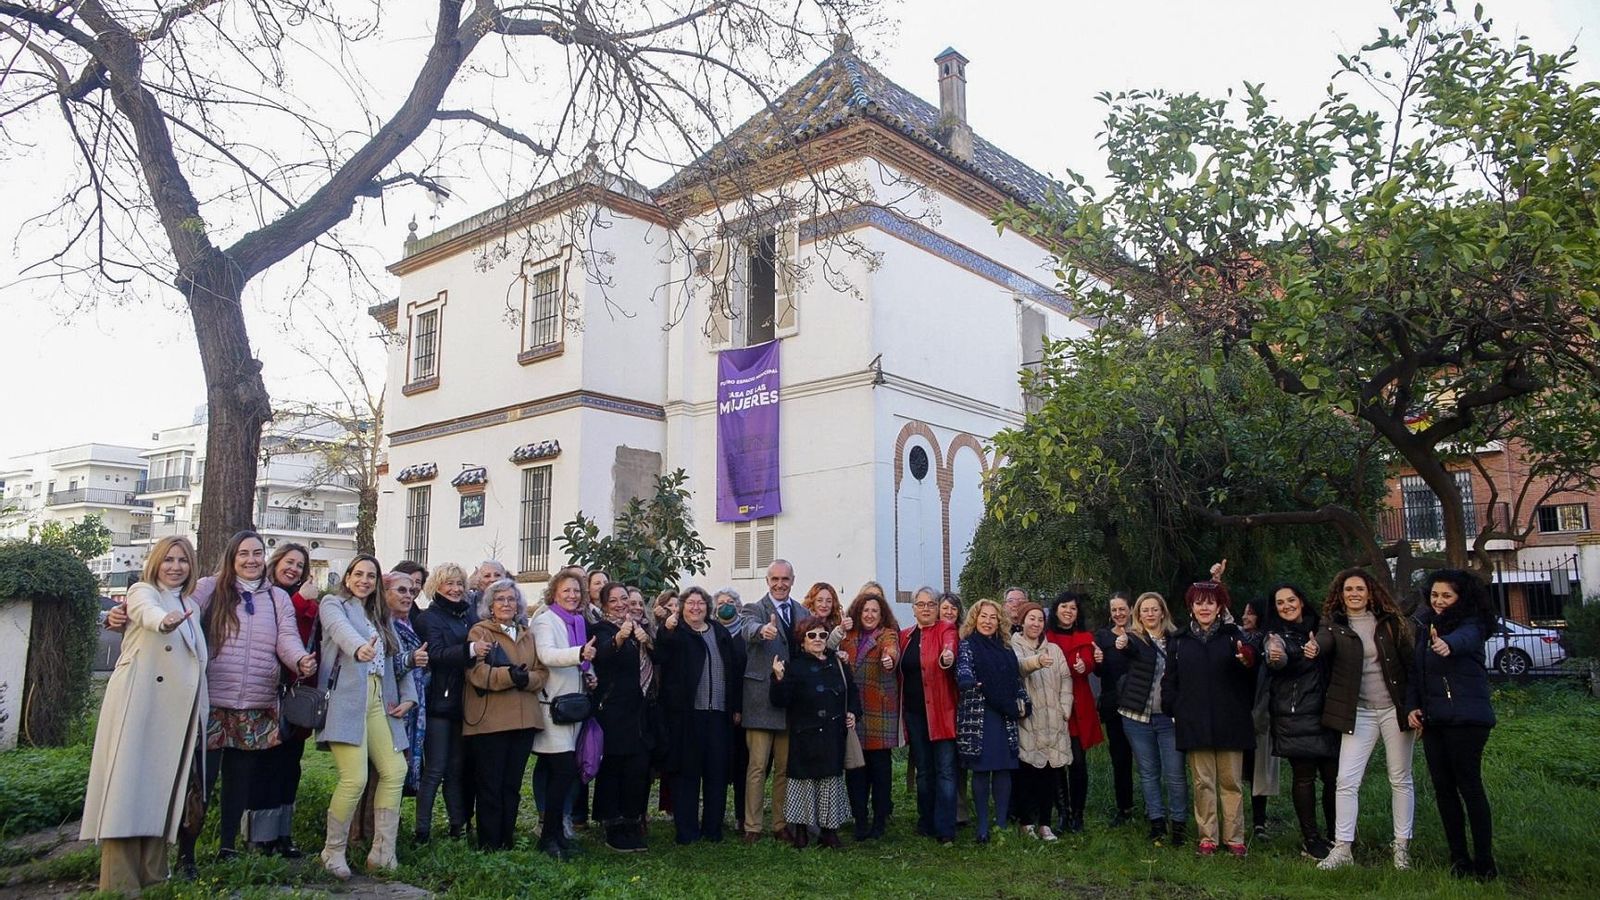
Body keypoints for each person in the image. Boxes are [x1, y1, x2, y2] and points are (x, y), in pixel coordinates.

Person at [180, 530, 315, 873]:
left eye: (257, 553)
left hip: (256, 703)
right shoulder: (211, 588)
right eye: (244, 554)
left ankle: (228, 847)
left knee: (239, 783)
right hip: (212, 702)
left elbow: (286, 638)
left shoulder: (277, 599)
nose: (251, 560)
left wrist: (299, 660)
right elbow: (176, 609)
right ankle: (187, 853)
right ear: (232, 558)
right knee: (202, 782)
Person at [81, 536, 207, 895]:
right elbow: (148, 614)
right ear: (155, 562)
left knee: (160, 792)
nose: (175, 566)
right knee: (128, 788)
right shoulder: (141, 591)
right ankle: (120, 881)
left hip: (175, 715)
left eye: (182, 560)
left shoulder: (191, 606)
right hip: (139, 705)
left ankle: (153, 875)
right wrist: (163, 622)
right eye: (168, 559)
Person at [315, 555, 416, 878]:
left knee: (395, 769)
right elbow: (341, 632)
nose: (364, 580)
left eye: (371, 576)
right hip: (346, 701)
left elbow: (396, 656)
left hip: (379, 700)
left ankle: (382, 853)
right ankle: (333, 851)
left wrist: (409, 696)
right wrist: (360, 648)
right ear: (347, 578)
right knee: (355, 778)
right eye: (358, 574)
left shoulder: (379, 614)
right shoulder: (333, 604)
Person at [1315, 568, 1416, 871]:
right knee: (1346, 780)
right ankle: (1342, 848)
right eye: (1348, 589)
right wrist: (1313, 647)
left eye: (1360, 589)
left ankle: (1401, 848)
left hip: (1393, 711)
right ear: (1340, 594)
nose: (1354, 594)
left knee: (1400, 779)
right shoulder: (1334, 625)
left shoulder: (1390, 624)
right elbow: (1323, 642)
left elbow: (1410, 665)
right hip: (1358, 713)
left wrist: (1415, 706)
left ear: (1370, 592)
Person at [1408, 569, 1498, 880]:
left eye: (1447, 595)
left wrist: (1447, 644)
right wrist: (1413, 707)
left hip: (1468, 719)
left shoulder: (1472, 622)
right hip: (1435, 721)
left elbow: (1465, 639)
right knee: (1443, 790)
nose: (1439, 601)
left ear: (1461, 597)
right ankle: (1459, 859)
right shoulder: (1423, 624)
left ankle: (1484, 862)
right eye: (1435, 595)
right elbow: (1416, 672)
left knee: (1469, 787)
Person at [1162, 577, 1257, 858]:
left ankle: (1235, 838)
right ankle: (1208, 838)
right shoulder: (1179, 641)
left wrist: (1247, 662)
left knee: (1231, 783)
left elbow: (1251, 674)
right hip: (1194, 722)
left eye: (1210, 603)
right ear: (1191, 607)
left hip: (1231, 720)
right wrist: (1174, 708)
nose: (1205, 608)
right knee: (1203, 783)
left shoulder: (1234, 637)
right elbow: (1170, 681)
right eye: (1199, 603)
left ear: (1219, 607)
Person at [463, 579, 549, 851]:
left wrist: (527, 680)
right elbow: (475, 673)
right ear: (490, 605)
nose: (506, 604)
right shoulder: (480, 632)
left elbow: (542, 672)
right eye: (500, 600)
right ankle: (489, 842)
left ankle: (506, 840)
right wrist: (509, 676)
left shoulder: (527, 633)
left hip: (523, 720)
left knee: (511, 785)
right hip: (491, 721)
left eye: (511, 599)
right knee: (490, 785)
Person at [655, 586, 745, 844]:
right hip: (686, 716)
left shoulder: (719, 632)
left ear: (708, 607)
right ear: (682, 608)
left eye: (701, 603)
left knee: (716, 772)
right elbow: (661, 653)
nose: (696, 608)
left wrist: (735, 707)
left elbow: (733, 670)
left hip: (718, 714)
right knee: (687, 774)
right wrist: (668, 628)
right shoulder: (677, 632)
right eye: (690, 604)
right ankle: (687, 831)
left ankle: (712, 829)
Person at [1261, 582, 1339, 860]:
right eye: (1280, 602)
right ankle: (1312, 839)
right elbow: (1277, 655)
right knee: (1304, 778)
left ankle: (1337, 836)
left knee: (1335, 779)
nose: (1286, 606)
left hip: (1330, 713)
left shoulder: (1322, 626)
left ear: (1301, 601)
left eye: (1290, 599)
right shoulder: (1274, 634)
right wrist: (1276, 654)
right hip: (1295, 715)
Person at [770, 614, 862, 848]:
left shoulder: (838, 662)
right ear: (803, 641)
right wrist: (779, 679)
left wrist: (852, 712)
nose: (818, 639)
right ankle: (801, 831)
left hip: (832, 733)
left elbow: (852, 692)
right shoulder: (794, 667)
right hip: (805, 734)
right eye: (812, 635)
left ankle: (829, 832)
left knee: (830, 781)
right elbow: (781, 701)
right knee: (803, 783)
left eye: (822, 635)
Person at [247, 541, 314, 857]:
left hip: (296, 696)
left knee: (290, 767)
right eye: (290, 562)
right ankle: (259, 838)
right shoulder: (263, 596)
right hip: (265, 693)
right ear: (275, 563)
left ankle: (283, 835)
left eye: (300, 565)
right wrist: (300, 603)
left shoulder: (306, 602)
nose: (294, 569)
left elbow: (303, 639)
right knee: (264, 767)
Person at [413, 561, 484, 842]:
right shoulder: (429, 618)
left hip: (464, 702)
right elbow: (437, 654)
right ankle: (422, 830)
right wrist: (470, 649)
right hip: (438, 702)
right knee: (436, 768)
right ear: (436, 587)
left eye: (459, 584)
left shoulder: (468, 616)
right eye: (449, 583)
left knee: (457, 768)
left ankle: (458, 826)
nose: (455, 589)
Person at [531, 570, 600, 860]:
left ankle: (557, 833)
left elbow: (584, 660)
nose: (572, 595)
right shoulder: (546, 619)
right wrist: (580, 653)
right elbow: (547, 655)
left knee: (564, 773)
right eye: (566, 591)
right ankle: (548, 837)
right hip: (552, 708)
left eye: (576, 591)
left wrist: (591, 674)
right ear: (554, 593)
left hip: (574, 707)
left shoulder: (579, 621)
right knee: (563, 772)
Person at [1117, 591, 1188, 846]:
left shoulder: (1177, 640)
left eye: (1154, 609)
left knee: (1175, 774)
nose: (1149, 614)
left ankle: (1179, 824)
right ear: (1138, 614)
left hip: (1168, 718)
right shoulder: (1136, 639)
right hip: (1136, 717)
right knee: (1148, 772)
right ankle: (1156, 822)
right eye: (1144, 610)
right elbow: (1127, 648)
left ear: (1162, 612)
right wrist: (1122, 643)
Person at [738, 559, 801, 844]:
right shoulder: (754, 609)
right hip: (761, 701)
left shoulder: (802, 611)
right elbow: (746, 628)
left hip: (789, 702)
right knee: (757, 767)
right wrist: (762, 630)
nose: (779, 584)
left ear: (792, 580)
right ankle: (752, 826)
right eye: (774, 579)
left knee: (784, 769)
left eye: (784, 579)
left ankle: (780, 824)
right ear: (767, 581)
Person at [957, 598, 1030, 843]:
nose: (987, 621)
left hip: (1004, 715)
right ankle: (983, 828)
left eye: (992, 617)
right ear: (974, 619)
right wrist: (968, 682)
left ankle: (1000, 825)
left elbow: (1015, 681)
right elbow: (964, 672)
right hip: (980, 717)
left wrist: (1023, 703)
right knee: (981, 771)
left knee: (1003, 770)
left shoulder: (1006, 648)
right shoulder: (967, 645)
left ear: (999, 621)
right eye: (983, 616)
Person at [591, 581, 654, 852]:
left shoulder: (640, 627)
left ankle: (631, 820)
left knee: (637, 767)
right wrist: (619, 638)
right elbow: (602, 656)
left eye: (624, 598)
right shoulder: (601, 628)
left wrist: (646, 640)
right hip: (614, 709)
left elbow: (659, 657)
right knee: (614, 766)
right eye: (614, 599)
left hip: (639, 710)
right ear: (604, 604)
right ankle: (612, 823)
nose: (620, 603)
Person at [838, 588, 900, 840]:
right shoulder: (848, 636)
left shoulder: (887, 634)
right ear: (858, 612)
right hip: (854, 711)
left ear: (881, 613)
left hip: (879, 711)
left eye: (875, 610)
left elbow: (891, 650)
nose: (870, 614)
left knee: (880, 771)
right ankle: (860, 819)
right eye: (866, 610)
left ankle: (880, 819)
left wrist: (889, 659)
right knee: (855, 770)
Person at [901, 587, 960, 844]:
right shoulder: (905, 636)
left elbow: (950, 649)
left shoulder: (946, 629)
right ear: (913, 608)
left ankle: (945, 827)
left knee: (946, 771)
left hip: (942, 712)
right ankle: (925, 821)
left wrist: (947, 656)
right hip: (915, 714)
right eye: (920, 604)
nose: (925, 608)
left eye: (931, 604)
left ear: (937, 608)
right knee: (924, 771)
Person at [1011, 601, 1072, 841]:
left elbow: (1066, 679)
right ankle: (1026, 823)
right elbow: (1018, 668)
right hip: (1028, 720)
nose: (1035, 623)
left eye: (1039, 619)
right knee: (1027, 773)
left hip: (1054, 720)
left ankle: (1045, 824)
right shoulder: (1013, 645)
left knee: (1049, 773)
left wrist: (1064, 708)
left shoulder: (1054, 650)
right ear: (1023, 621)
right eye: (1031, 618)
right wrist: (1037, 661)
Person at [1044, 591, 1103, 833]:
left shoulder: (1085, 637)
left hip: (1079, 708)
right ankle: (1063, 814)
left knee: (1078, 763)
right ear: (1056, 609)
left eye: (1074, 608)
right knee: (1056, 764)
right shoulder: (1046, 637)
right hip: (1053, 705)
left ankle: (1078, 814)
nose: (1069, 611)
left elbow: (1089, 661)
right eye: (1064, 606)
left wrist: (1085, 665)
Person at [1092, 591, 1137, 826]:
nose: (1118, 613)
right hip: (1114, 704)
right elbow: (1099, 673)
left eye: (1122, 608)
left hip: (1140, 704)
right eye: (1114, 610)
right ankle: (1124, 807)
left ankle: (1155, 808)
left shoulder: (1141, 633)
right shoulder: (1102, 636)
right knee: (1120, 758)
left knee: (1147, 759)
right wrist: (1097, 660)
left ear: (1130, 608)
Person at [384, 572, 431, 794]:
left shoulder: (409, 623)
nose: (409, 596)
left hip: (412, 704)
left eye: (412, 591)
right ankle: (366, 828)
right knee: (384, 773)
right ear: (384, 593)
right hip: (389, 705)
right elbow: (382, 664)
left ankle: (391, 825)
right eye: (401, 590)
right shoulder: (382, 625)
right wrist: (410, 659)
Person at [1237, 598, 1278, 841]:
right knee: (1238, 770)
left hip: (1260, 712)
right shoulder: (1239, 638)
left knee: (1257, 771)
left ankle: (1259, 823)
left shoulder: (1269, 641)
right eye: (1244, 613)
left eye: (1251, 614)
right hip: (1238, 711)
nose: (1246, 618)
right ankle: (1237, 820)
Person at [712, 587, 748, 833]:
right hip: (717, 707)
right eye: (721, 602)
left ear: (738, 605)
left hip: (743, 705)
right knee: (720, 763)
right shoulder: (712, 631)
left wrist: (739, 707)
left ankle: (741, 816)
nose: (726, 605)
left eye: (730, 602)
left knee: (743, 764)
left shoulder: (746, 632)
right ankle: (717, 814)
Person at [936, 591, 970, 825]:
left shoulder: (964, 636)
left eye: (953, 609)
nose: (949, 612)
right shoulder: (934, 634)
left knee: (960, 761)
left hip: (962, 704)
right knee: (943, 762)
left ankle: (960, 810)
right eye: (945, 608)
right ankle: (945, 810)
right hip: (940, 704)